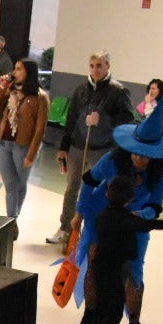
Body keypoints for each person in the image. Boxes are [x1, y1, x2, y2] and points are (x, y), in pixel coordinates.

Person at [70, 100, 163, 324]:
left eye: (145, 155)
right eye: (135, 151)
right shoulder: (113, 158)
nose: (138, 158)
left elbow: (156, 206)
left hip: (134, 222)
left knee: (134, 274)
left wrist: (137, 215)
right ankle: (91, 315)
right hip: (103, 214)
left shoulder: (159, 174)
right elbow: (89, 180)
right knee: (94, 265)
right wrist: (80, 211)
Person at [77, 170, 163, 324]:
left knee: (104, 308)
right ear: (130, 198)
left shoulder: (104, 215)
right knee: (115, 311)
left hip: (101, 266)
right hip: (114, 268)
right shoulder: (125, 219)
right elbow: (150, 224)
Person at [49, 50, 135, 248]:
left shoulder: (118, 91)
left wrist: (103, 120)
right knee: (71, 188)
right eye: (92, 65)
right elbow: (71, 119)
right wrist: (64, 146)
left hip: (102, 149)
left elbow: (127, 120)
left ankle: (93, 231)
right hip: (78, 146)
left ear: (108, 66)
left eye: (100, 65)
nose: (95, 69)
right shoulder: (81, 89)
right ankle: (66, 229)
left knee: (97, 190)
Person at [0, 58, 49, 220]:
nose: (14, 72)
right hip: (4, 143)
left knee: (20, 184)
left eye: (19, 69)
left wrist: (31, 153)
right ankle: (11, 219)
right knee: (10, 185)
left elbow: (40, 128)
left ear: (28, 72)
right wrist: (1, 88)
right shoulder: (10, 91)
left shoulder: (40, 97)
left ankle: (13, 219)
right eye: (15, 69)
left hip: (23, 146)